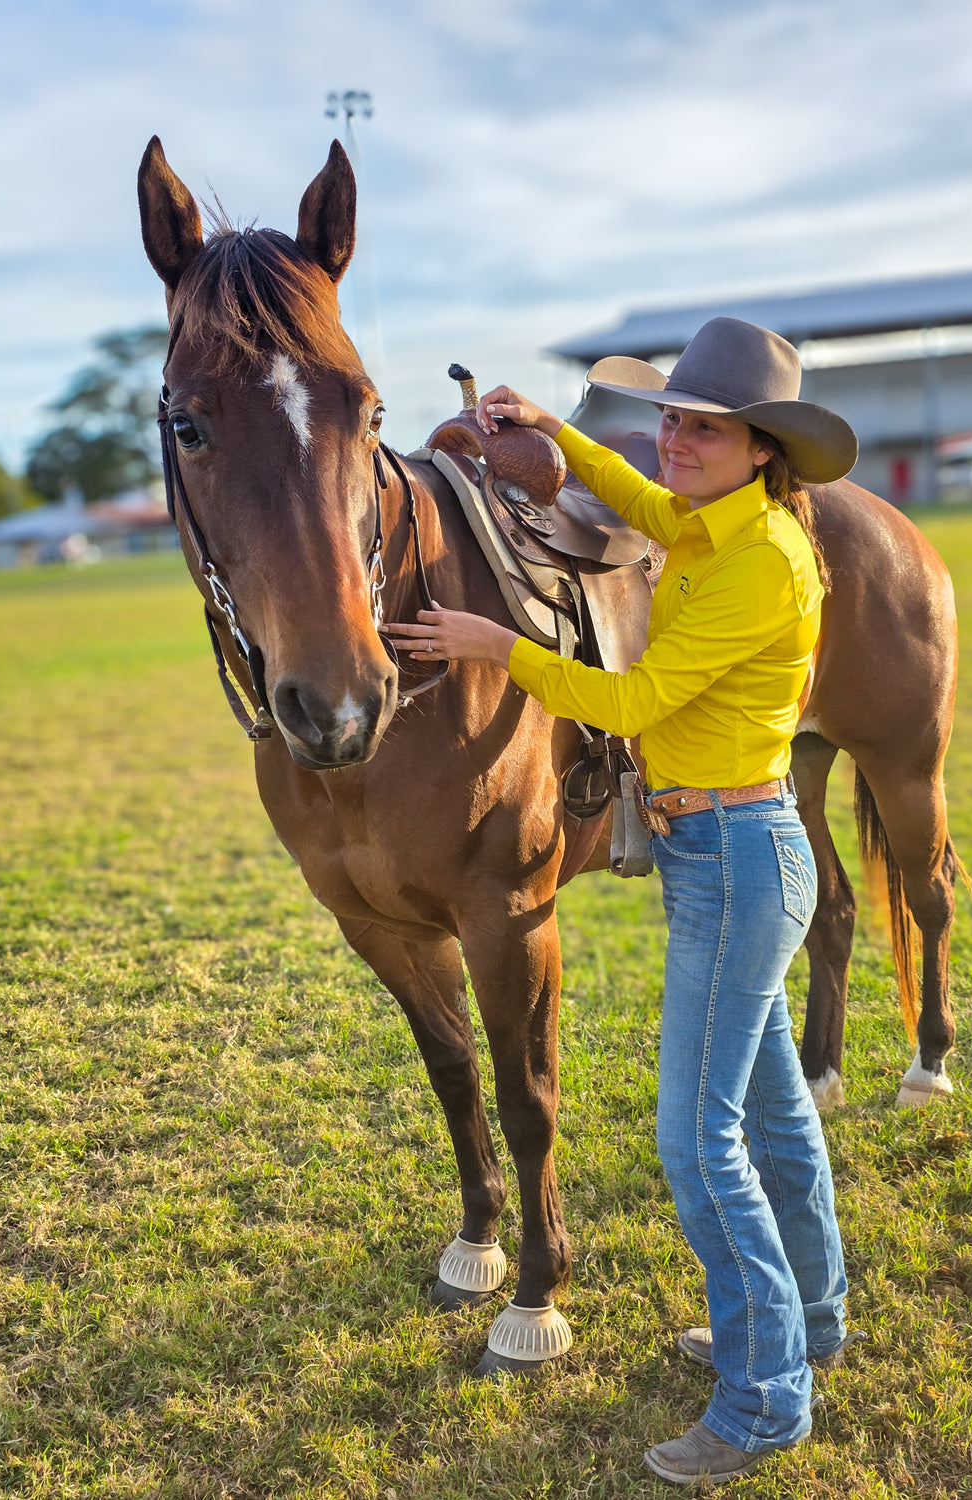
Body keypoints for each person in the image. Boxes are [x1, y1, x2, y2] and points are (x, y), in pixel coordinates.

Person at [383, 317, 859, 1486]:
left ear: (763, 448)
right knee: (774, 1117)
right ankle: (813, 1321)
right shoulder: (713, 522)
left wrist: (496, 641)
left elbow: (636, 701)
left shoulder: (759, 562)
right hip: (729, 849)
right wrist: (557, 433)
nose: (678, 439)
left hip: (738, 852)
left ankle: (760, 1401)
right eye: (673, 417)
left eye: (706, 426)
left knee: (698, 1146)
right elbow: (640, 505)